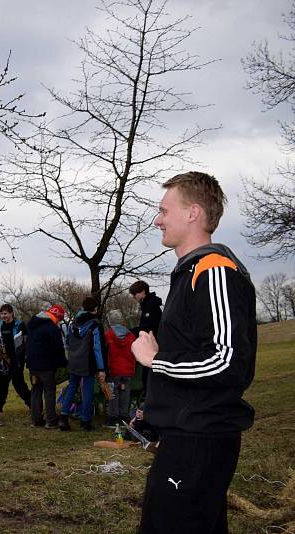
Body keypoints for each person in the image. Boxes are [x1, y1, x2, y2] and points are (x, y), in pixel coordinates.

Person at [132, 171, 257, 533]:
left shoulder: (213, 269)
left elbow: (227, 361)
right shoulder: (189, 273)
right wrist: (153, 406)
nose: (157, 219)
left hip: (200, 439)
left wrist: (155, 361)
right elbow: (193, 353)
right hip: (188, 434)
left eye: (163, 210)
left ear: (193, 213)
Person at [59, 296, 106, 432]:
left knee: (72, 387)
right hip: (87, 362)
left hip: (73, 361)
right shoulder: (95, 325)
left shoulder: (72, 323)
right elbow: (97, 348)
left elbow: (67, 342)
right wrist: (101, 368)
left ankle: (63, 416)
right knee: (87, 391)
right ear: (95, 308)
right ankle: (85, 421)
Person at [25, 305, 67, 428]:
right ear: (57, 316)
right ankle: (51, 420)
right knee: (49, 391)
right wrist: (63, 363)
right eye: (59, 319)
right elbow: (58, 349)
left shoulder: (32, 325)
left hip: (32, 365)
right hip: (47, 366)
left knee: (35, 391)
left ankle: (36, 419)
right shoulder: (52, 328)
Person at [104, 310, 136, 427]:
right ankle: (124, 416)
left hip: (114, 369)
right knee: (125, 393)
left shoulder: (108, 335)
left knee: (113, 393)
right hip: (127, 369)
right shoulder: (131, 335)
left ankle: (113, 418)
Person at [0, 304, 32, 414]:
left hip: (17, 360)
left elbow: (26, 342)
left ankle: (32, 403)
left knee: (18, 383)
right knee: (2, 383)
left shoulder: (20, 325)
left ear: (12, 313)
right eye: (2, 314)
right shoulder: (0, 326)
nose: (4, 316)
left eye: (6, 313)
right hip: (4, 360)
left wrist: (24, 356)